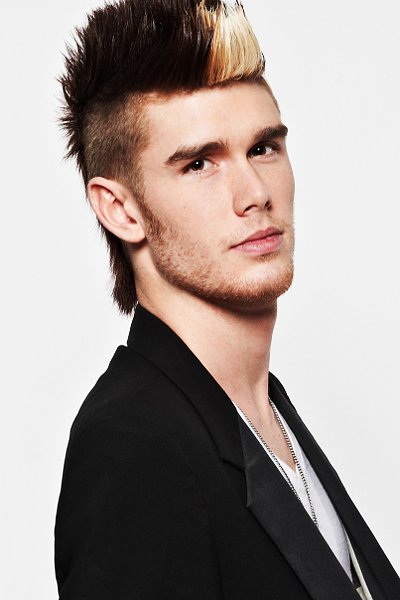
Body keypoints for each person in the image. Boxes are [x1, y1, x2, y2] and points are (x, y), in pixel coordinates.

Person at [54, 1, 400, 598]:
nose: (255, 193)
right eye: (198, 164)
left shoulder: (264, 416)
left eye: (263, 148)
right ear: (121, 209)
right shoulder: (134, 446)